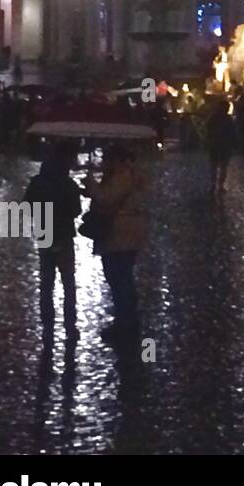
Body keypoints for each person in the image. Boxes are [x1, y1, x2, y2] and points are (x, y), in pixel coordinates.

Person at [87, 144, 149, 342]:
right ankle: (126, 321)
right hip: (125, 233)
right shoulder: (125, 175)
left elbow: (107, 199)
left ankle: (126, 324)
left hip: (120, 233)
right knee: (121, 278)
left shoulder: (122, 177)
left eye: (108, 159)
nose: (105, 163)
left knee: (119, 278)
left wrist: (92, 185)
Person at [24, 143, 83, 343]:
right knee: (68, 283)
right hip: (64, 236)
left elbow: (26, 205)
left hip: (45, 235)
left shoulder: (37, 182)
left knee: (47, 282)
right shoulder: (69, 185)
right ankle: (70, 325)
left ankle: (47, 324)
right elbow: (76, 211)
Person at [204, 99, 237, 198]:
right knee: (222, 166)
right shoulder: (227, 119)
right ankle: (218, 185)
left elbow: (208, 130)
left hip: (217, 144)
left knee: (215, 166)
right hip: (223, 145)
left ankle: (214, 185)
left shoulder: (213, 118)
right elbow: (233, 133)